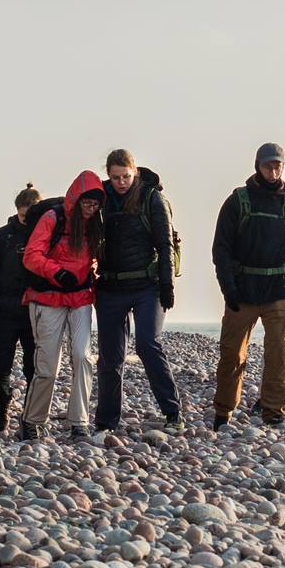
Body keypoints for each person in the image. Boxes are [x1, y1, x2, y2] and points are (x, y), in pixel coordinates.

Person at [212, 142, 285, 428]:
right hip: (242, 292)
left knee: (279, 353)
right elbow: (221, 249)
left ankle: (273, 412)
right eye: (268, 165)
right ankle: (223, 412)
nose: (272, 170)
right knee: (232, 353)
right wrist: (228, 287)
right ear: (257, 165)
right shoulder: (238, 201)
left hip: (278, 291)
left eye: (277, 165)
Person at [92, 151, 184, 431]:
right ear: (108, 174)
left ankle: (172, 413)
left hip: (148, 286)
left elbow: (166, 245)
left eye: (126, 177)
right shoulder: (100, 199)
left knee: (147, 343)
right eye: (116, 177)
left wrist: (167, 285)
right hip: (110, 287)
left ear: (135, 173)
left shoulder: (151, 198)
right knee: (110, 356)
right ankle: (106, 422)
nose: (121, 182)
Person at [20, 171, 105, 440]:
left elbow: (99, 255)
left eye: (95, 205)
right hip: (48, 297)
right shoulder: (52, 218)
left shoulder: (96, 223)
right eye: (87, 204)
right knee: (48, 365)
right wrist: (56, 272)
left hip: (80, 296)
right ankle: (33, 421)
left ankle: (79, 422)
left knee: (83, 356)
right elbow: (31, 256)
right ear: (76, 200)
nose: (91, 210)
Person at [0, 184, 43, 435]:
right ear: (17, 211)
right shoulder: (2, 237)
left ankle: (29, 416)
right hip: (4, 309)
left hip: (35, 310)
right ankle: (2, 401)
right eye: (24, 215)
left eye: (33, 215)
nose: (28, 220)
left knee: (33, 366)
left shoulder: (47, 237)